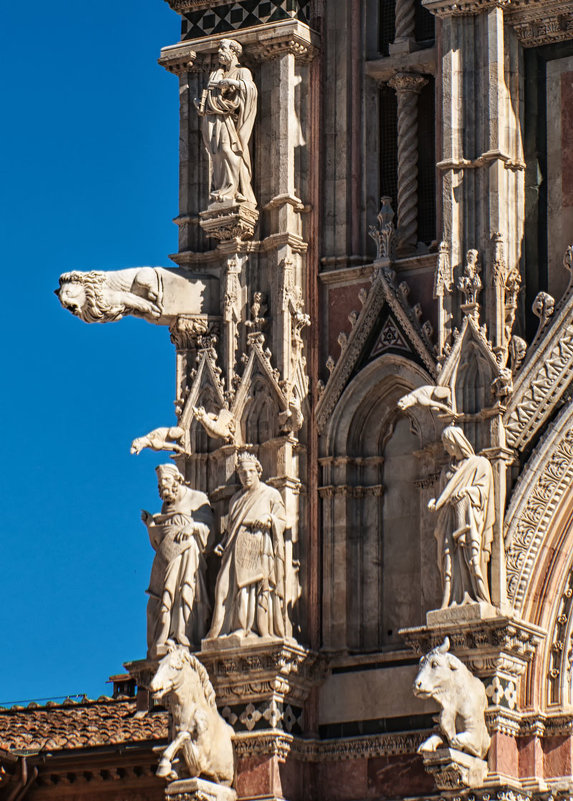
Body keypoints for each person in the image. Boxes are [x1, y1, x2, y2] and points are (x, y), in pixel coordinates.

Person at [207, 452, 287, 638]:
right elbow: (231, 528)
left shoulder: (270, 494)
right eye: (242, 473)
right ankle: (230, 628)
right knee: (224, 589)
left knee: (252, 588)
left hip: (259, 546)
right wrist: (223, 543)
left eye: (250, 471)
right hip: (236, 547)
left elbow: (282, 520)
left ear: (258, 471)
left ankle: (248, 629)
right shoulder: (235, 500)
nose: (247, 476)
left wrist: (269, 519)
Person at [141, 464, 213, 658]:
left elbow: (210, 530)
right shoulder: (167, 505)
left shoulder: (197, 499)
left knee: (182, 592)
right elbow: (161, 540)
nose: (161, 489)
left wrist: (193, 528)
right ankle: (166, 637)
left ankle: (182, 634)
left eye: (164, 483)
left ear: (176, 480)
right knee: (161, 600)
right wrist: (151, 526)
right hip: (169, 559)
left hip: (188, 558)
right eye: (159, 486)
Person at [428, 425, 495, 608]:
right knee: (448, 558)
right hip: (449, 519)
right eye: (445, 444)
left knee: (470, 554)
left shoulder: (479, 464)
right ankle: (450, 598)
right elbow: (443, 495)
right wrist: (435, 502)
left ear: (458, 443)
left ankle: (476, 592)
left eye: (449, 444)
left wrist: (467, 492)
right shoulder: (447, 471)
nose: (447, 448)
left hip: (468, 518)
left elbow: (483, 491)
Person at [195, 38, 257, 206]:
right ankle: (223, 187)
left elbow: (250, 90)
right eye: (219, 50)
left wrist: (232, 83)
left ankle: (234, 188)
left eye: (223, 49)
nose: (219, 53)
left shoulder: (242, 71)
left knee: (227, 149)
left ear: (234, 52)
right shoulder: (216, 73)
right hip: (214, 117)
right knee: (216, 153)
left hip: (230, 119)